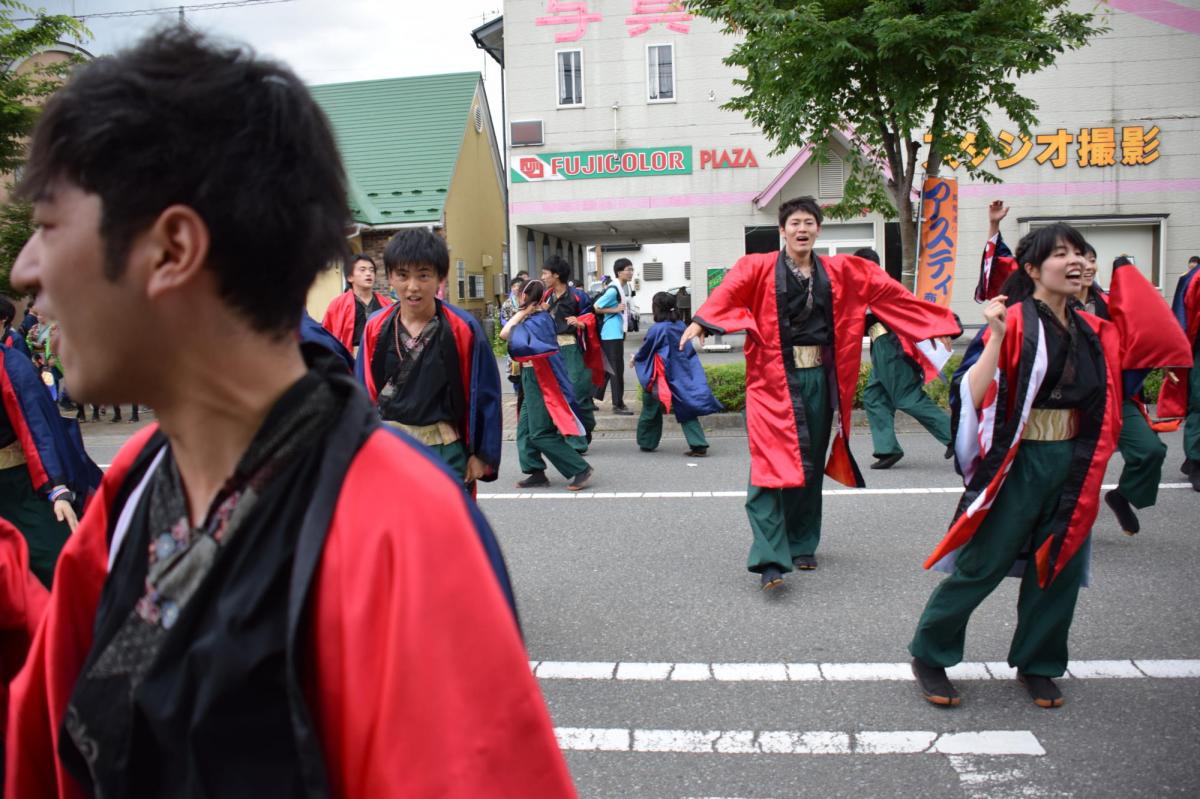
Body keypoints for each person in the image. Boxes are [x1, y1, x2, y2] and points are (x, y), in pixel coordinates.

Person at [5, 28, 574, 797]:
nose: (25, 270)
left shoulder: (404, 528)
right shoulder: (135, 479)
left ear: (173, 249)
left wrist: (477, 450)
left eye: (47, 227)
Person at [680, 196, 961, 591]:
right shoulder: (757, 267)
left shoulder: (842, 270)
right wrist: (702, 322)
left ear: (818, 229)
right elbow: (729, 292)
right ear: (782, 230)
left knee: (809, 465)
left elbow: (890, 294)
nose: (802, 229)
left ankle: (801, 542)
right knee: (767, 467)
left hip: (819, 379)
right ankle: (769, 557)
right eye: (794, 223)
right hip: (771, 381)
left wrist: (937, 323)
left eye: (808, 222)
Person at [909, 223, 1124, 710]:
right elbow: (970, 394)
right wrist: (995, 338)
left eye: (1080, 253)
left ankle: (1038, 663)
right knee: (984, 562)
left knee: (1059, 563)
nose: (1076, 262)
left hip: (1073, 461)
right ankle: (930, 653)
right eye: (1061, 254)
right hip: (1019, 460)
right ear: (1032, 269)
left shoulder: (1095, 329)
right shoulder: (1013, 320)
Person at [356, 228, 503, 489]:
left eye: (423, 275)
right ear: (390, 277)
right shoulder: (376, 327)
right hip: (388, 448)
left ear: (440, 278)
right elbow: (363, 392)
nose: (413, 287)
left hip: (444, 449)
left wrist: (481, 454)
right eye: (402, 275)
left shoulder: (463, 328)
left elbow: (484, 394)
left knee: (448, 516)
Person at [1070, 251, 1191, 533]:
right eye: (1078, 260)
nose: (1086, 266)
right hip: (1071, 402)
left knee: (1150, 451)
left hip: (1116, 396)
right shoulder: (1053, 306)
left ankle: (1123, 495)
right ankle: (1061, 529)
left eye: (1091, 260)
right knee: (1074, 468)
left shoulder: (1111, 304)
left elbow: (1141, 335)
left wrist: (1161, 358)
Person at [0, 338, 100, 587]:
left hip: (21, 484)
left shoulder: (12, 365)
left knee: (56, 561)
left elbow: (40, 428)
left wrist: (57, 487)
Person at [855, 247, 953, 469]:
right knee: (873, 396)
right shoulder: (866, 287)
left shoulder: (883, 286)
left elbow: (915, 308)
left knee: (907, 396)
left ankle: (954, 436)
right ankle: (887, 449)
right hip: (881, 347)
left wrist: (944, 328)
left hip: (892, 347)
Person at [502, 279, 594, 490]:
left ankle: (580, 468)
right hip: (531, 377)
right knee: (524, 429)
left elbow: (505, 334)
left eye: (519, 294)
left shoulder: (539, 320)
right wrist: (526, 311)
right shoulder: (536, 317)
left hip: (541, 379)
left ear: (525, 296)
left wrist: (524, 312)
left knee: (540, 432)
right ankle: (535, 471)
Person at [633, 291, 722, 456]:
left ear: (656, 308)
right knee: (685, 407)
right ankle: (698, 444)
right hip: (681, 372)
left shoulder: (657, 329)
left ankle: (647, 442)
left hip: (660, 374)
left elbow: (646, 351)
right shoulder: (681, 326)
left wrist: (635, 359)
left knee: (650, 406)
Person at [542, 254, 603, 450]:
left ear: (556, 275)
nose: (543, 277)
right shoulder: (545, 296)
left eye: (545, 273)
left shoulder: (578, 296)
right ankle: (576, 436)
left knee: (576, 391)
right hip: (551, 350)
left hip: (571, 347)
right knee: (559, 393)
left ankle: (583, 431)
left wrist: (581, 322)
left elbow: (593, 318)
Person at [1161, 254, 1200, 490]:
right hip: (1198, 349)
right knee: (1199, 404)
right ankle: (1196, 461)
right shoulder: (1194, 279)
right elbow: (1181, 320)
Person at [321, 252, 394, 355]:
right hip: (351, 356)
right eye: (362, 270)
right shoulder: (338, 305)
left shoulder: (386, 304)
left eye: (371, 270)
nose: (368, 273)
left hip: (381, 356)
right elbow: (326, 335)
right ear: (350, 277)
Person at [593, 258, 635, 414]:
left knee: (608, 368)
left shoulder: (620, 287)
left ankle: (588, 398)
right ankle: (618, 405)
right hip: (611, 334)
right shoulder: (613, 290)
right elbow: (596, 307)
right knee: (616, 369)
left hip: (614, 333)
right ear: (619, 272)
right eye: (628, 269)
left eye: (632, 269)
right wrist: (615, 310)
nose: (631, 272)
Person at [500, 275, 528, 398]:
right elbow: (504, 319)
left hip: (526, 336)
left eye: (519, 286)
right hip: (513, 336)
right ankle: (517, 391)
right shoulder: (507, 303)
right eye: (514, 286)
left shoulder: (528, 302)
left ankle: (526, 388)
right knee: (514, 365)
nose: (516, 288)